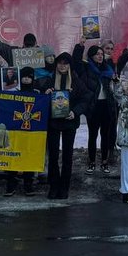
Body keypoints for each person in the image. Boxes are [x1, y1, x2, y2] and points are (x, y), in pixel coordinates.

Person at [73, 39, 128, 175]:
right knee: (92, 135)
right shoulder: (86, 68)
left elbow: (115, 86)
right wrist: (80, 46)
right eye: (97, 54)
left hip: (107, 106)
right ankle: (91, 162)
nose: (100, 56)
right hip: (93, 107)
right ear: (92, 56)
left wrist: (116, 81)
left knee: (105, 136)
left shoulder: (108, 68)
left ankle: (104, 162)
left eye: (101, 53)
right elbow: (76, 60)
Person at [45, 52, 91, 199]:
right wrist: (46, 93)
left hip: (69, 122)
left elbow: (86, 98)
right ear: (56, 64)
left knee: (67, 156)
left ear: (69, 65)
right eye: (60, 63)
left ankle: (64, 187)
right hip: (53, 123)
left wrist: (75, 112)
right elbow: (39, 99)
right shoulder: (50, 79)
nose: (62, 66)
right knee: (53, 156)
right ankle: (53, 186)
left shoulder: (76, 81)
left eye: (65, 63)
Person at [5, 67, 39, 197]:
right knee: (12, 155)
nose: (26, 79)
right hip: (15, 129)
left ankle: (28, 184)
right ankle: (10, 184)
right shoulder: (13, 91)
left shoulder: (36, 92)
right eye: (24, 76)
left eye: (29, 77)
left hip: (31, 130)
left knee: (29, 155)